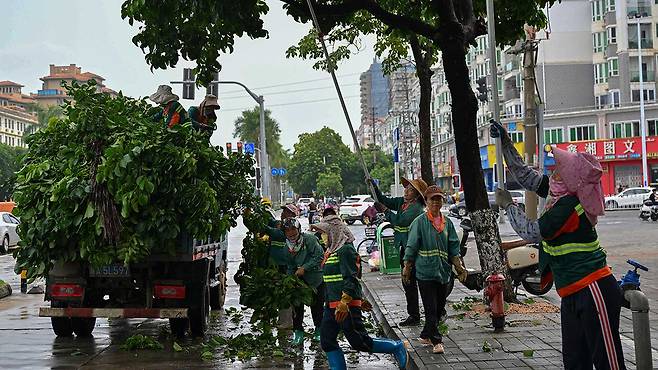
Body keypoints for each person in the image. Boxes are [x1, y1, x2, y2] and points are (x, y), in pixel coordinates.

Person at [491, 121, 626, 369]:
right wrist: (506, 144)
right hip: (571, 292)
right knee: (574, 361)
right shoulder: (559, 195)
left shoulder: (568, 207)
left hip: (593, 288)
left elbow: (532, 232)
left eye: (559, 170)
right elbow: (527, 177)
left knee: (608, 362)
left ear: (571, 180)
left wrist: (509, 206)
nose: (554, 173)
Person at [310, 215, 408, 370]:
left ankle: (396, 347)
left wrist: (346, 301)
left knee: (359, 342)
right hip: (331, 305)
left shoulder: (345, 250)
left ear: (334, 233)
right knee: (327, 341)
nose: (322, 236)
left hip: (345, 305)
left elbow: (351, 277)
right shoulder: (331, 251)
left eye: (324, 232)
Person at [403, 185, 466, 354]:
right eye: (433, 199)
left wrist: (458, 266)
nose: (436, 202)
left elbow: (453, 246)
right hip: (424, 271)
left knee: (439, 308)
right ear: (427, 201)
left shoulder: (447, 223)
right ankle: (436, 341)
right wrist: (407, 267)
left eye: (439, 199)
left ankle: (425, 334)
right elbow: (411, 246)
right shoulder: (419, 222)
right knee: (430, 308)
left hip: (443, 272)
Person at [369, 177, 428, 326]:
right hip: (404, 247)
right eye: (406, 188)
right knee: (407, 283)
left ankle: (422, 314)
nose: (406, 191)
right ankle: (413, 314)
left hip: (415, 250)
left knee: (414, 282)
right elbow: (384, 200)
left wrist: (386, 211)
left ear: (416, 195)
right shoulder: (402, 203)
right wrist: (374, 187)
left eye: (410, 189)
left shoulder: (416, 209)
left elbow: (399, 221)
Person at [281, 218, 325, 345]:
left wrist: (305, 268)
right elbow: (290, 265)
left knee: (317, 307)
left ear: (299, 230)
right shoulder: (286, 247)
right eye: (288, 232)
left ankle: (319, 330)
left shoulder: (310, 240)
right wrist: (289, 279)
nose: (291, 234)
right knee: (297, 307)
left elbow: (319, 256)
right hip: (298, 281)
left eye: (293, 231)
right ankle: (298, 332)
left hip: (315, 279)